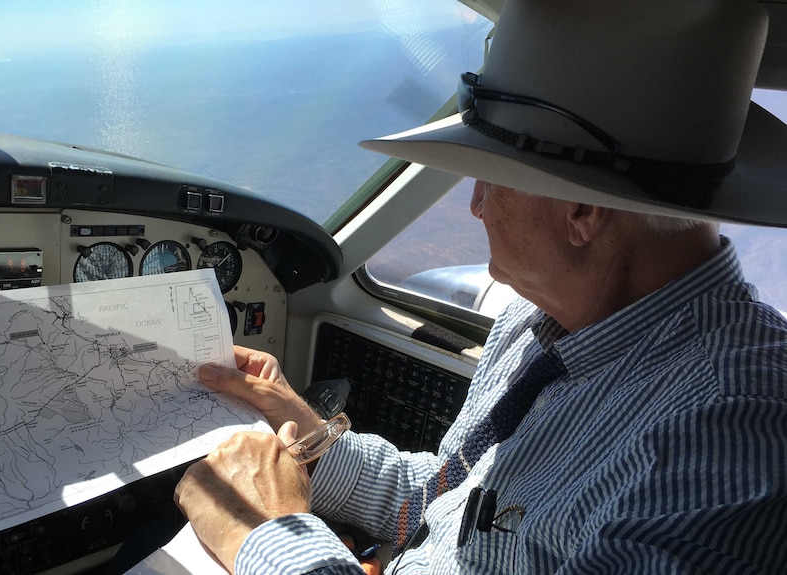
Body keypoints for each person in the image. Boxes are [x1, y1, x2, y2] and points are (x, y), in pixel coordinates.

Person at [173, 0, 787, 573]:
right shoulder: (541, 319)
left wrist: (270, 534)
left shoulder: (729, 437)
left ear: (581, 211)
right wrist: (308, 438)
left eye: (491, 180)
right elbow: (445, 501)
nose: (475, 206)